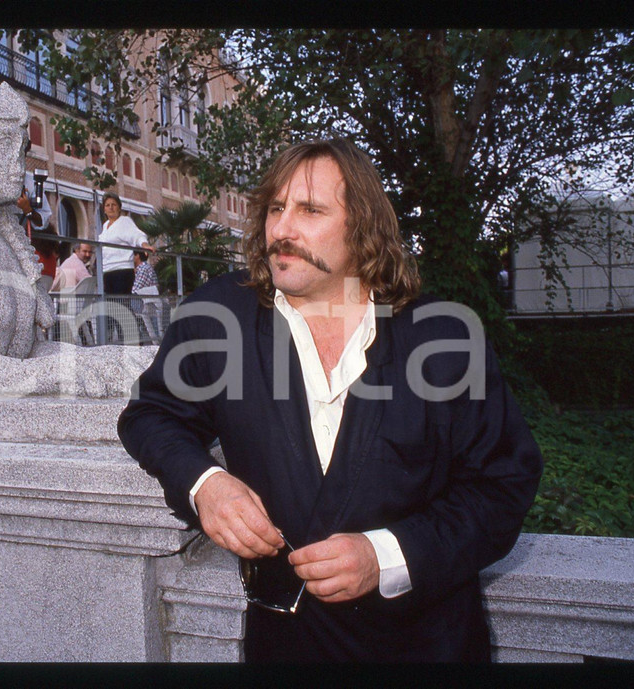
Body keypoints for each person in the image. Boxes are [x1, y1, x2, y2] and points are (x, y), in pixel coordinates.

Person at [118, 139, 543, 662]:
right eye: (276, 208)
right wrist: (206, 484)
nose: (281, 230)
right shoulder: (216, 316)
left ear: (363, 227)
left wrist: (386, 555)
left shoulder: (445, 336)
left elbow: (503, 486)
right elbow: (152, 416)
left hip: (425, 647)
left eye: (310, 210)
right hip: (283, 647)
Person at [96, 192, 153, 295]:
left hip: (122, 270)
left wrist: (144, 245)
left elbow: (137, 235)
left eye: (114, 205)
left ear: (119, 207)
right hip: (107, 270)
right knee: (111, 306)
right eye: (107, 205)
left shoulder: (125, 221)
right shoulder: (105, 226)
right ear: (104, 209)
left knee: (121, 306)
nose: (111, 208)